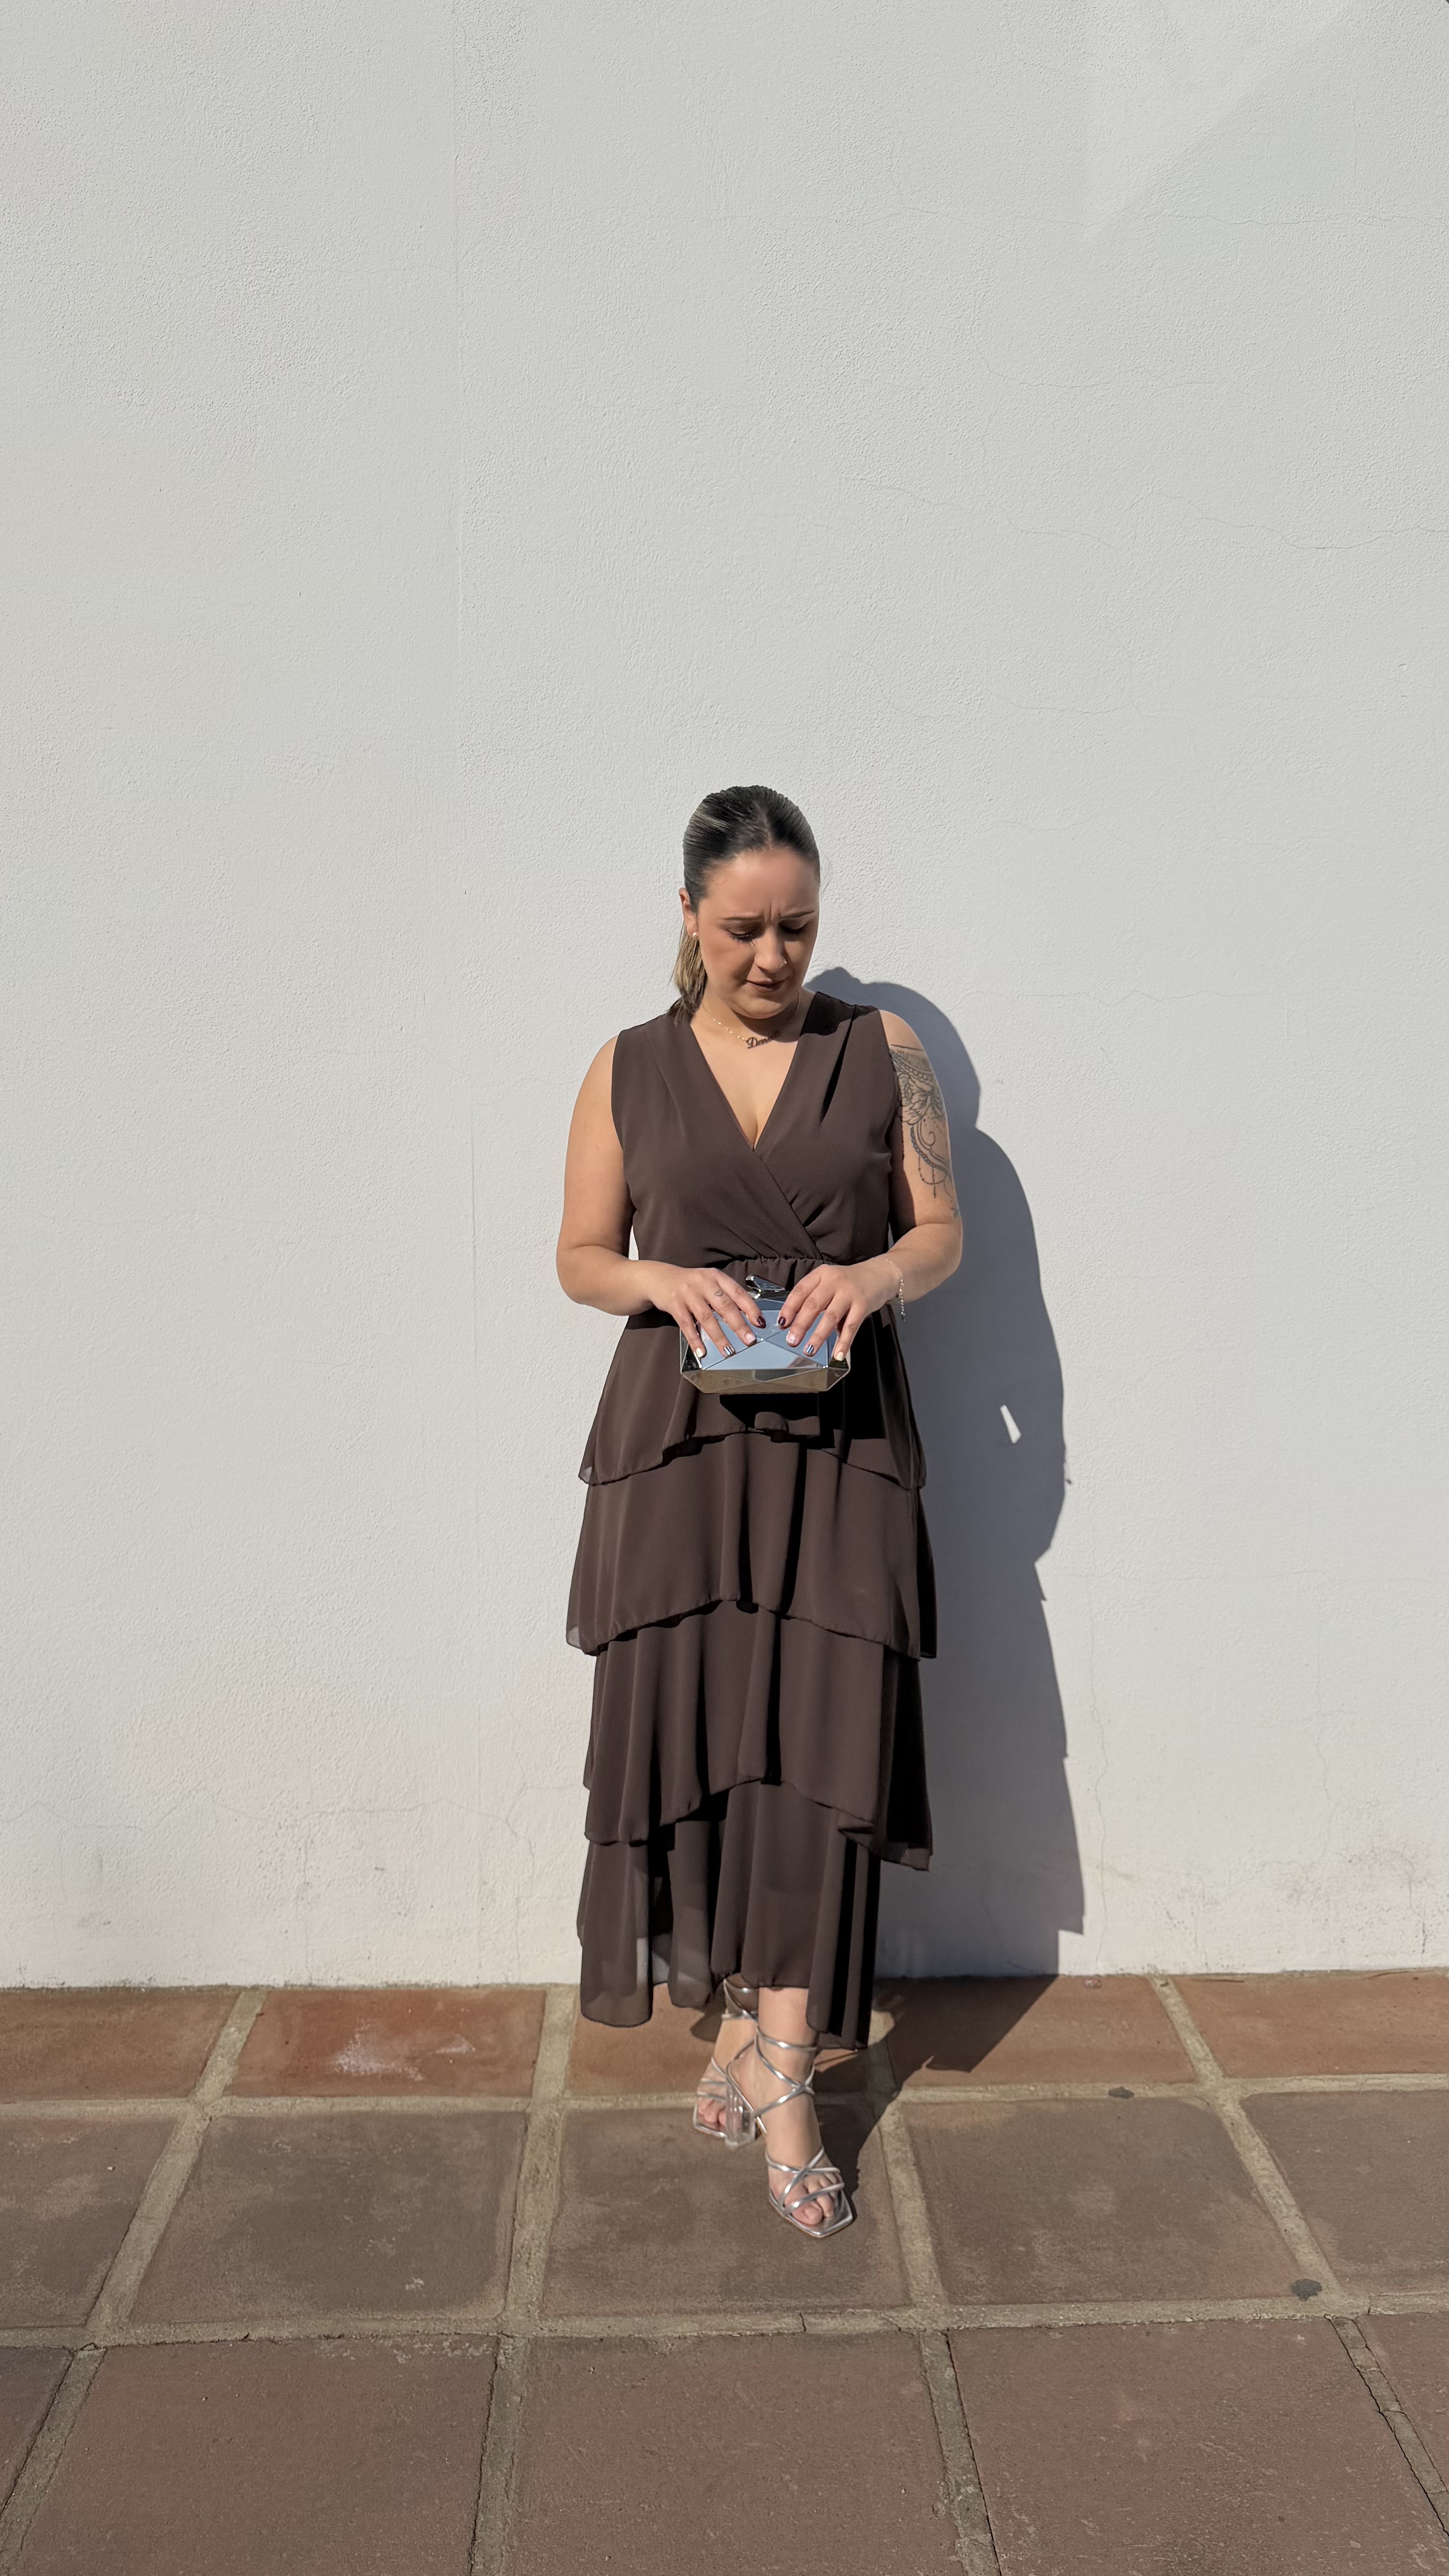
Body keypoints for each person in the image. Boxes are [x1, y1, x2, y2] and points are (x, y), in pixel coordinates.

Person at [556, 786, 961, 2234]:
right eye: (743, 929)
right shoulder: (625, 1066)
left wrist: (879, 1276)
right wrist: (663, 1282)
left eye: (798, 926)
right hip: (680, 1455)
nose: (774, 956)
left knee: (820, 1746)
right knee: (714, 1745)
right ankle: (742, 2019)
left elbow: (941, 1230)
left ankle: (787, 2065)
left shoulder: (882, 1049)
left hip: (842, 1447)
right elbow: (580, 1257)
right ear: (688, 914)